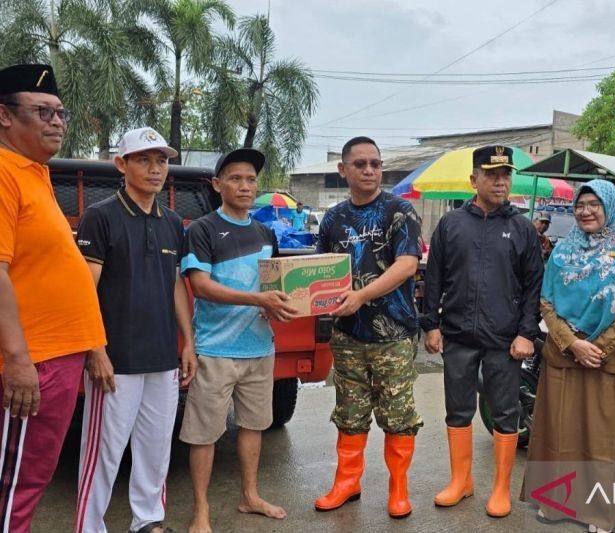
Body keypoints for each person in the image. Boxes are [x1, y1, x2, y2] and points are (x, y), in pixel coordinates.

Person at [74, 127, 197, 533]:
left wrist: (187, 344)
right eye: (144, 159)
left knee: (156, 447)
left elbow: (177, 283)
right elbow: (85, 290)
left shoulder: (173, 222)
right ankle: (90, 527)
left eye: (161, 160)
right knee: (103, 453)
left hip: (162, 357)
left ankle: (148, 520)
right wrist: (95, 349)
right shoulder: (101, 216)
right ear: (121, 164)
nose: (155, 168)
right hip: (116, 359)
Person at [0, 63, 106, 531]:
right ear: (4, 116)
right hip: (33, 361)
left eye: (60, 113)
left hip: (57, 356)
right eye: (43, 111)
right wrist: (17, 359)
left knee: (31, 479)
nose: (57, 122)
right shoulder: (4, 173)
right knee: (15, 484)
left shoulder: (34, 175)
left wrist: (91, 346)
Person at [522, 180, 615, 533]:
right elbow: (546, 302)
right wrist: (572, 343)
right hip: (564, 355)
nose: (585, 211)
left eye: (594, 204)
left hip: (608, 360)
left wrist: (597, 347)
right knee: (559, 434)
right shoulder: (563, 252)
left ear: (610, 206)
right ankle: (555, 503)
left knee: (604, 439)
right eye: (580, 204)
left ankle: (601, 514)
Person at [179, 148, 299, 533]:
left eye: (250, 179)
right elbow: (200, 286)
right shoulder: (202, 229)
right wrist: (257, 299)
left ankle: (250, 496)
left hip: (260, 349)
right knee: (204, 434)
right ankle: (201, 510)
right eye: (235, 179)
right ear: (218, 185)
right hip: (214, 350)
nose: (244, 186)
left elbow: (275, 283)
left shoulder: (265, 232)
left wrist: (275, 304)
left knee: (253, 426)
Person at [420, 145, 543, 518]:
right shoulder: (451, 224)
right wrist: (431, 324)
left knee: (505, 413)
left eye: (505, 174)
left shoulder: (521, 228)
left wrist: (526, 333)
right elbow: (434, 276)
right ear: (474, 180)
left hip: (504, 340)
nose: (500, 181)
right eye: (491, 175)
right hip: (457, 335)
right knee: (457, 410)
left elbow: (533, 286)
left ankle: (500, 488)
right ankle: (462, 481)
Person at [314, 136, 422, 519]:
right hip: (348, 335)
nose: (369, 170)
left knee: (398, 414)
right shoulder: (332, 218)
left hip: (393, 334)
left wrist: (362, 296)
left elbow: (407, 265)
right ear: (342, 170)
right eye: (359, 164)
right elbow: (321, 271)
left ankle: (398, 488)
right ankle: (347, 483)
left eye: (375, 164)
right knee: (349, 412)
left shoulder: (399, 211)